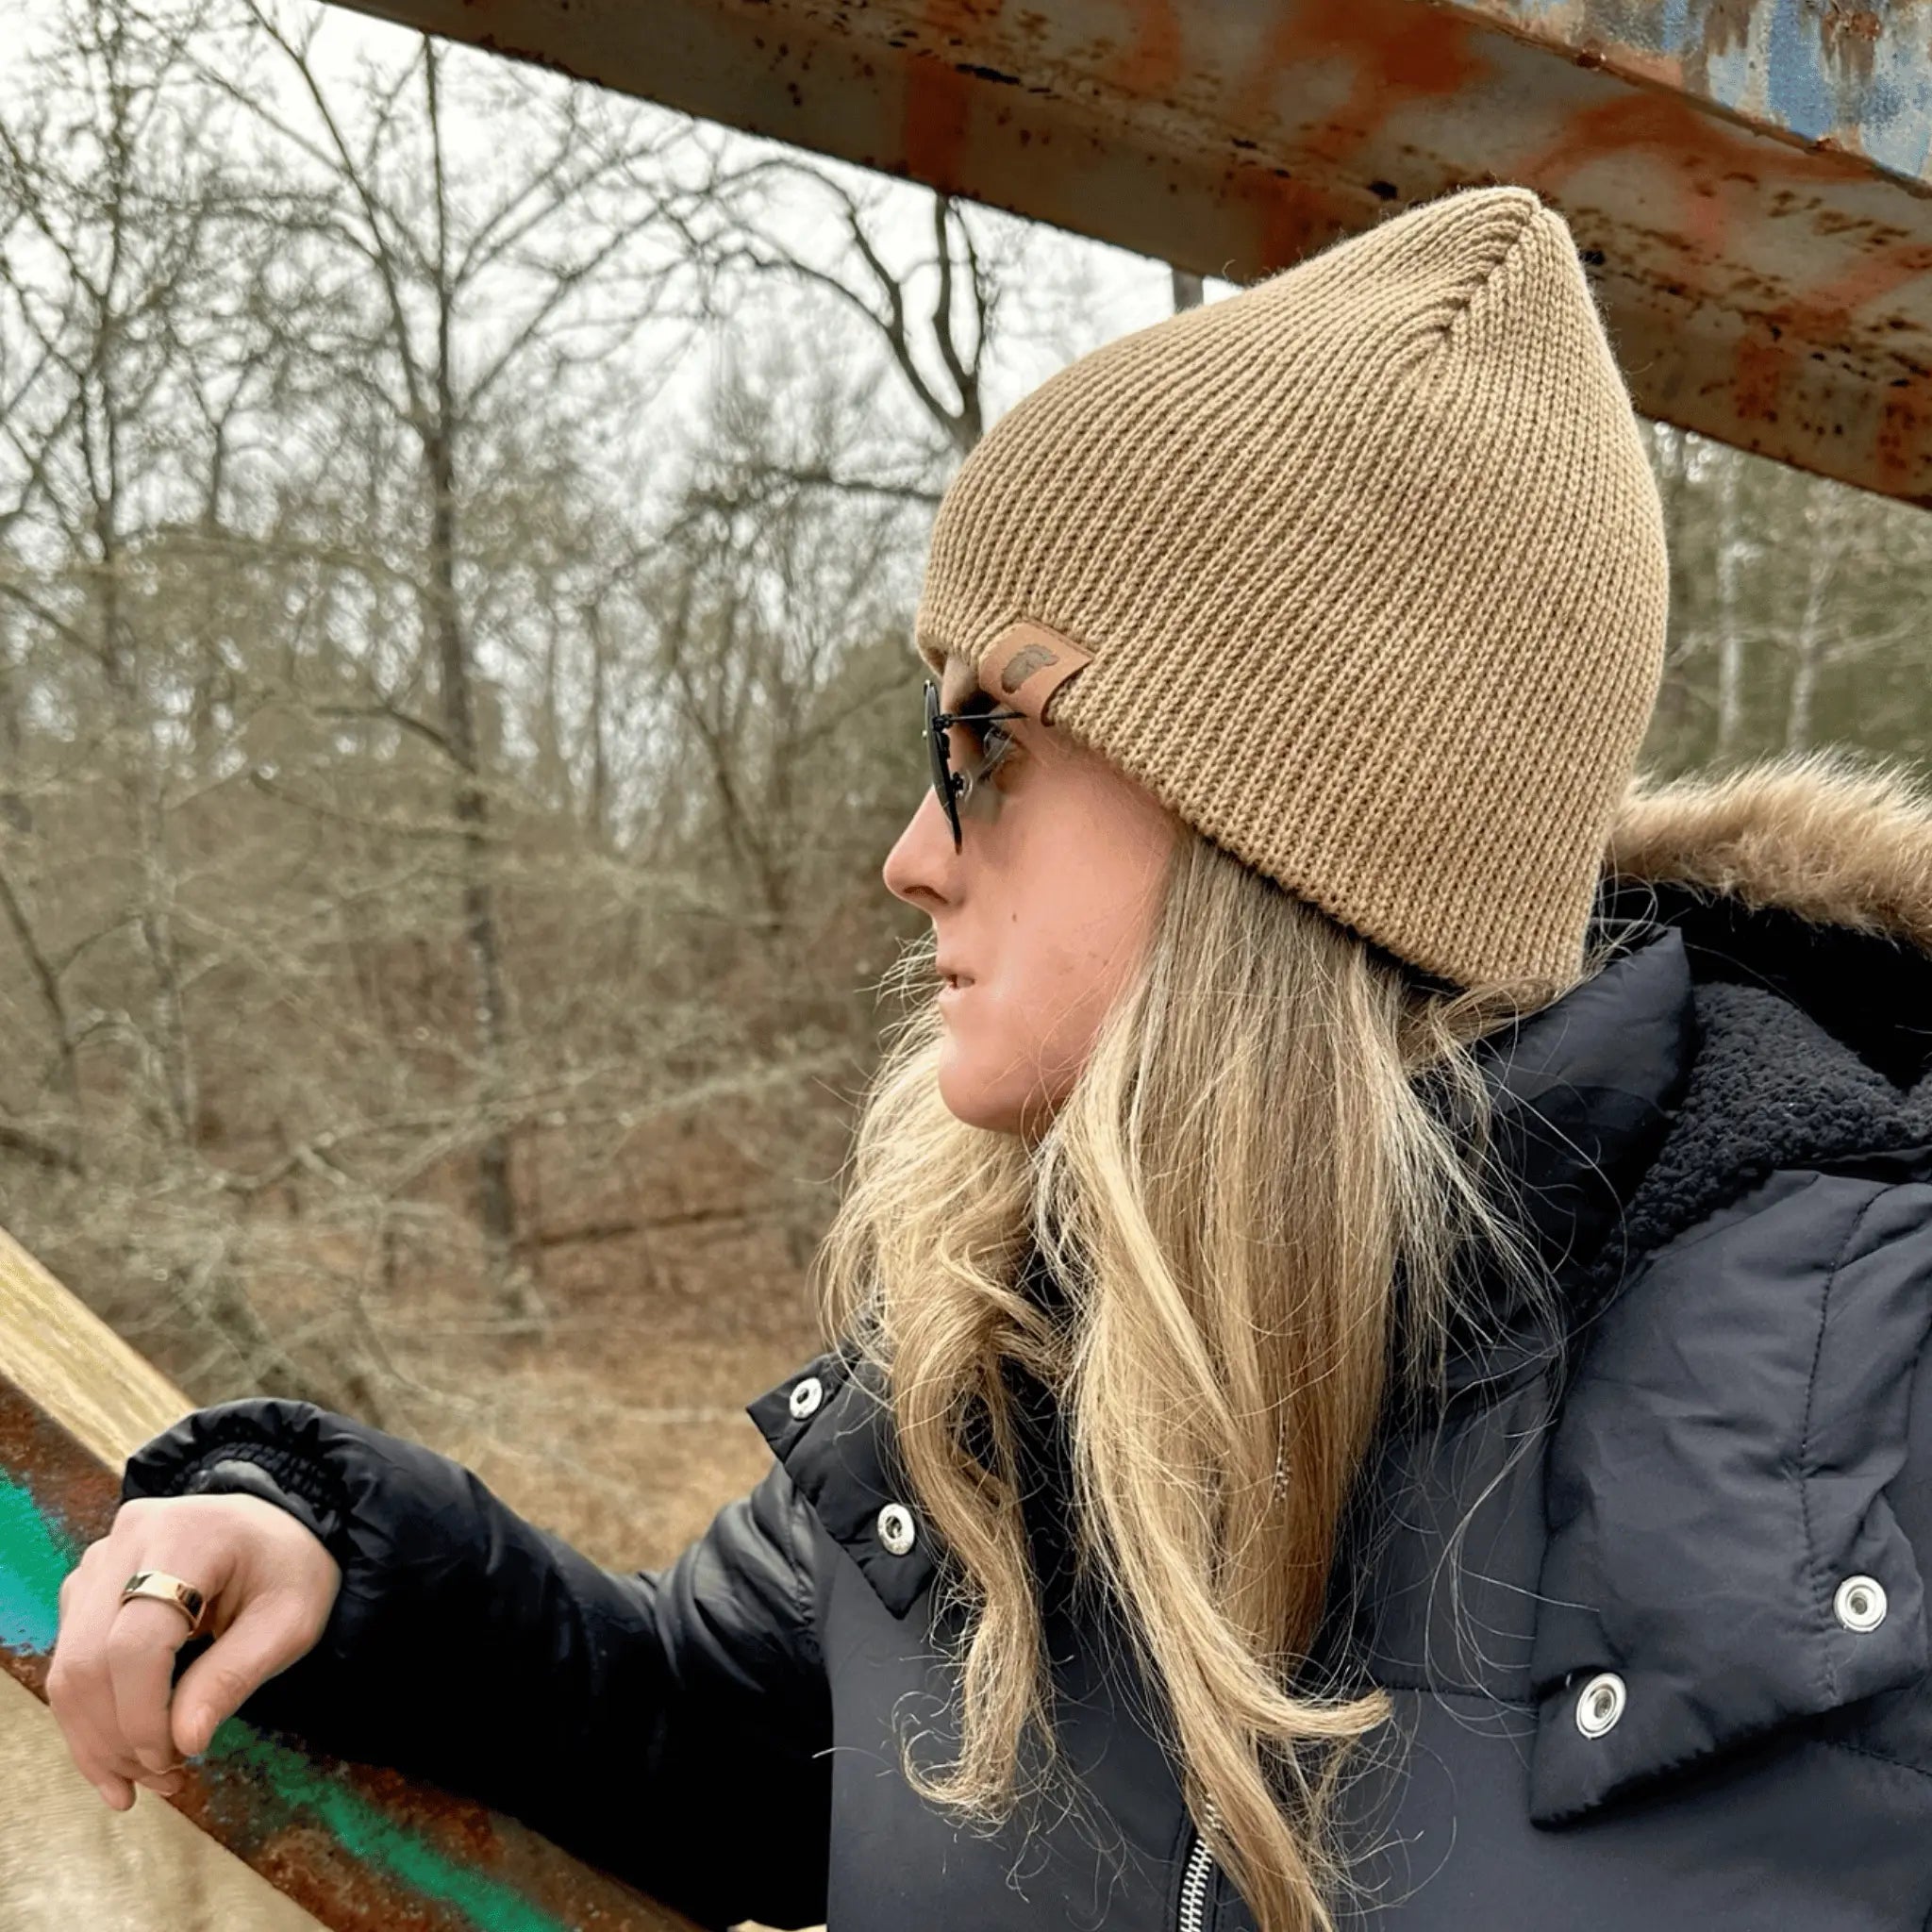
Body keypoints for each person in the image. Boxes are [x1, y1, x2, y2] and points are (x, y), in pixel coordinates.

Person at [46, 183, 1932, 1931]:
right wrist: (341, 1560)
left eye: (992, 738)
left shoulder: (1874, 1409)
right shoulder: (1006, 1355)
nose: (912, 848)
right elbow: (711, 1738)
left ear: (1287, 815)